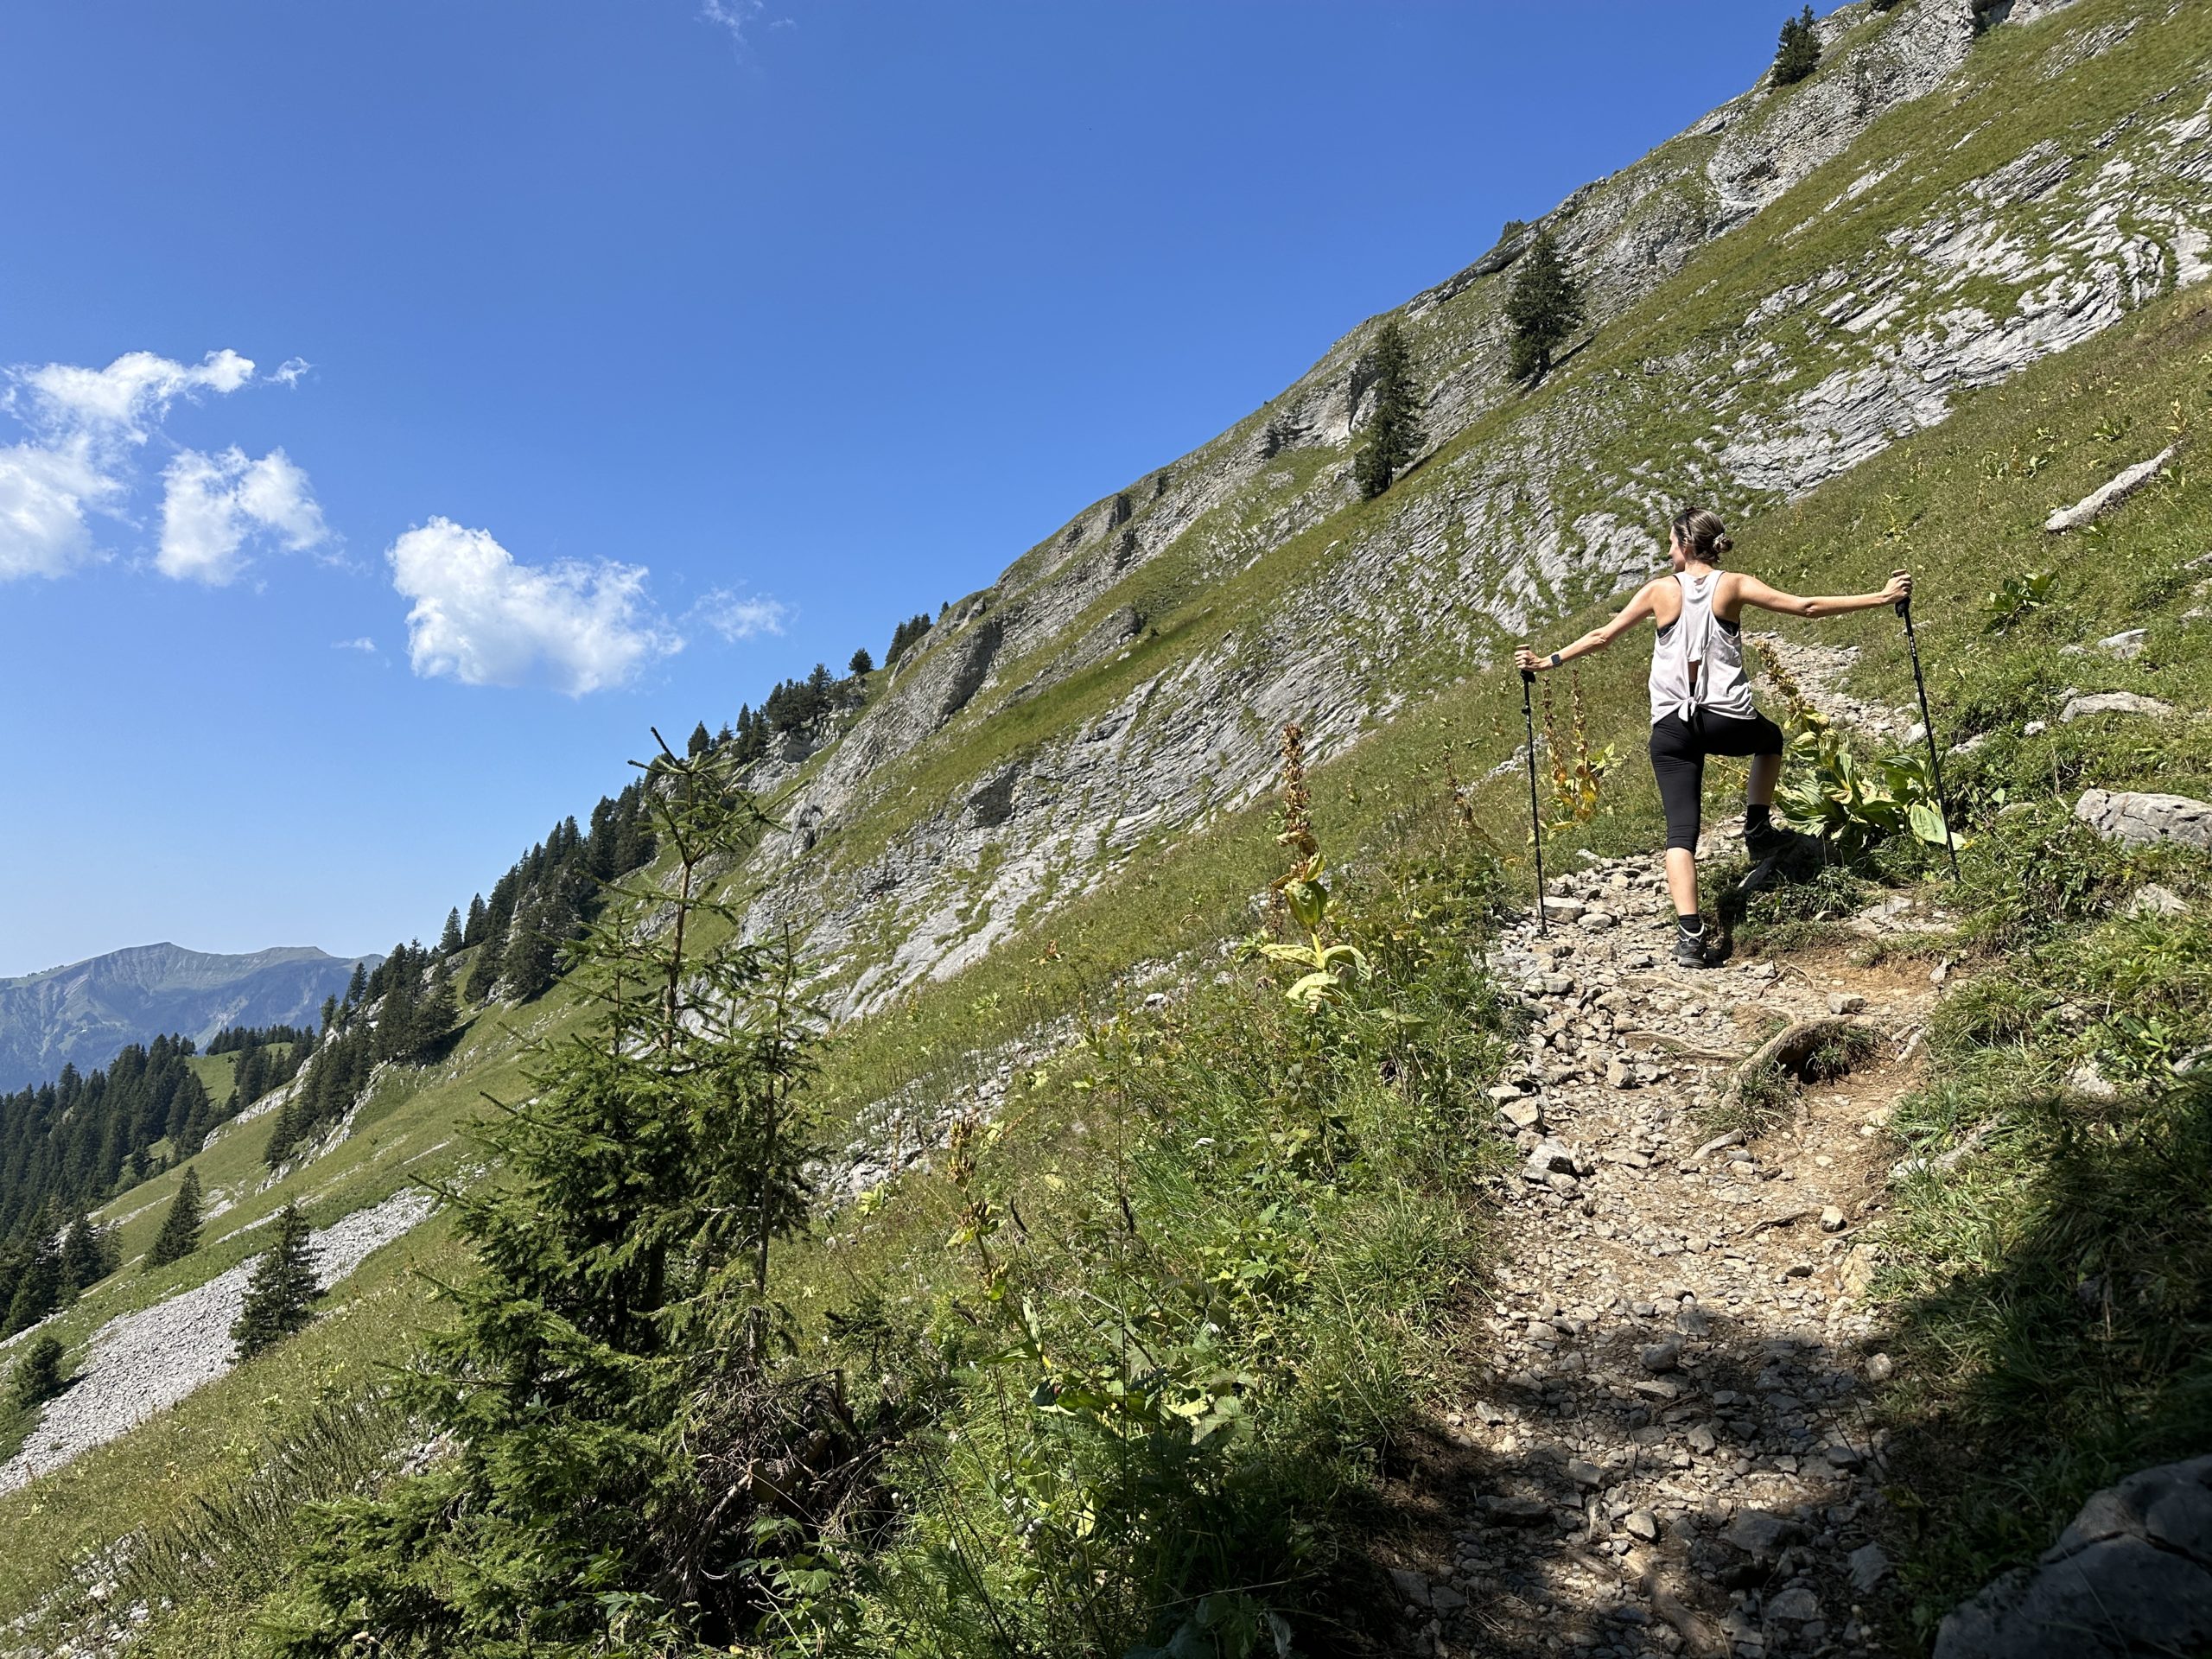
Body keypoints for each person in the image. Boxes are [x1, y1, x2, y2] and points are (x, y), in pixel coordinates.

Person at [1514, 508, 1910, 968]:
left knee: (1680, 832)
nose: (1666, 551)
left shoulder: (1660, 590)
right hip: (1727, 719)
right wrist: (1880, 598)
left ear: (1684, 544)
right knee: (1770, 738)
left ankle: (1690, 935)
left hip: (1671, 728)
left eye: (1669, 542)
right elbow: (1807, 607)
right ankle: (1757, 827)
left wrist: (1547, 662)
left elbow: (1603, 637)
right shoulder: (1734, 584)